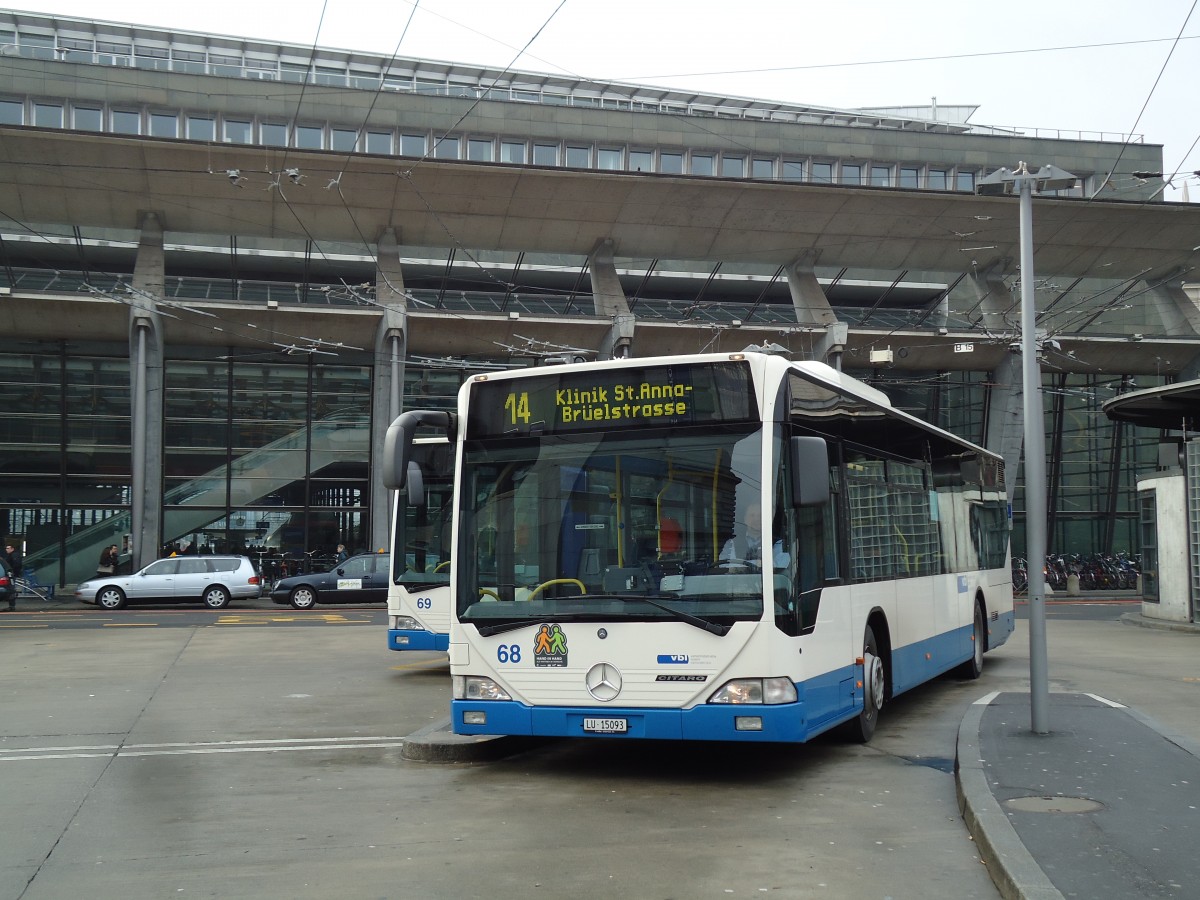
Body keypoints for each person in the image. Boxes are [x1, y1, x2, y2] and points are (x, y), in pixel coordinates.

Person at [720, 504, 787, 568]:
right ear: (745, 519)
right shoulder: (732, 543)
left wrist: (741, 564)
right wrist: (758, 564)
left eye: (760, 515)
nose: (756, 519)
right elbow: (725, 566)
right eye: (752, 515)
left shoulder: (778, 543)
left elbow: (781, 566)